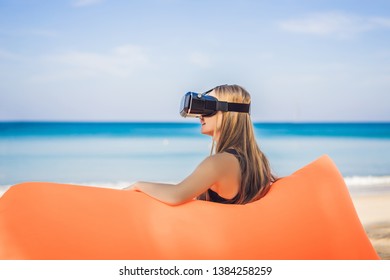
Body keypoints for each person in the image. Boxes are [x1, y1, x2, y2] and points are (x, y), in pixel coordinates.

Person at [124, 84, 276, 205]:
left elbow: (176, 195)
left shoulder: (219, 162)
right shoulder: (258, 160)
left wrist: (138, 185)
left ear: (227, 112)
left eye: (208, 107)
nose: (200, 116)